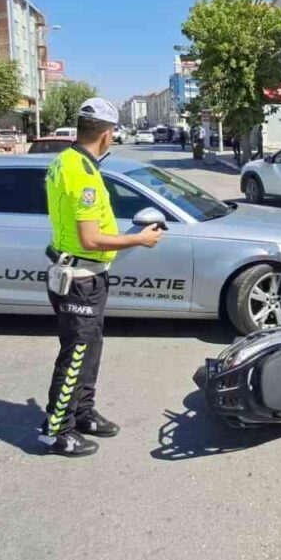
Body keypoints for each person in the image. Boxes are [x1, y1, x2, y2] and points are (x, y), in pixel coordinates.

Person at [39, 97, 164, 457]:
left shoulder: (66, 160)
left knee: (89, 350)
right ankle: (57, 431)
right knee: (76, 354)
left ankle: (82, 413)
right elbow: (90, 239)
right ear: (107, 135)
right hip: (80, 277)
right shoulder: (82, 173)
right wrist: (140, 239)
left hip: (84, 274)